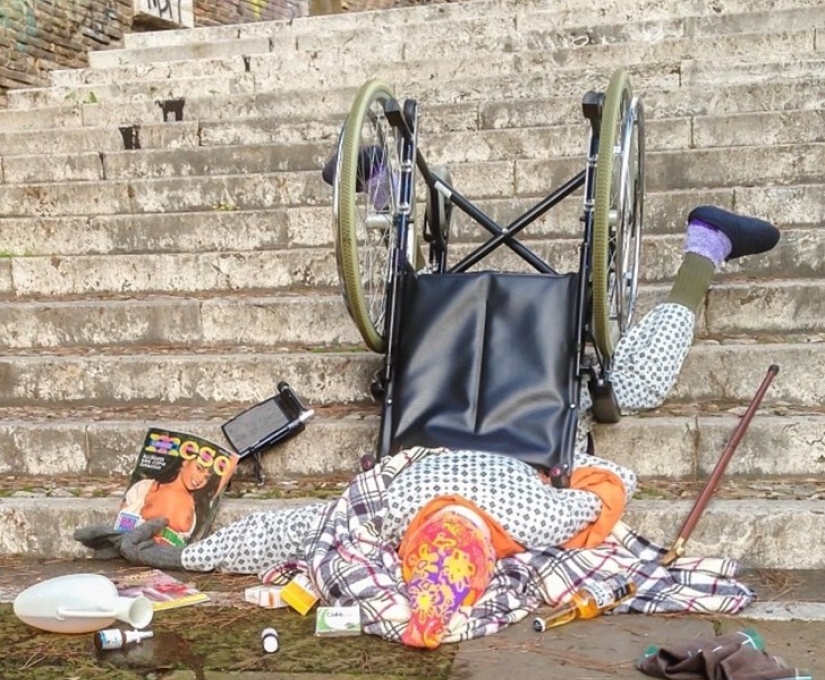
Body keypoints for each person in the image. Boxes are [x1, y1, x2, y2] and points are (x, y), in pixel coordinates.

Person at [76, 204, 780, 647]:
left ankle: (388, 194)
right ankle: (703, 248)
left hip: (452, 401)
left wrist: (174, 557)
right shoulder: (403, 517)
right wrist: (172, 556)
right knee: (627, 388)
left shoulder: (503, 518)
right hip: (503, 417)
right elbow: (603, 490)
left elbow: (603, 494)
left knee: (629, 388)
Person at [115, 452, 220, 546]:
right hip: (136, 547)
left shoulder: (197, 506)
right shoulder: (145, 487)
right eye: (199, 468)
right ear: (185, 461)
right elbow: (122, 523)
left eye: (207, 477)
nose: (201, 479)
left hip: (168, 556)